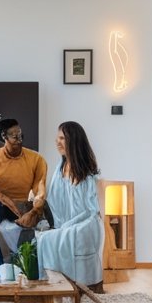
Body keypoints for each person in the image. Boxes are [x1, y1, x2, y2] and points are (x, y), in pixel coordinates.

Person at [0, 118, 47, 279]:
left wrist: (34, 211)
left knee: (42, 208)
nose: (19, 139)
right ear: (3, 137)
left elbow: (40, 191)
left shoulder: (37, 160)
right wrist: (0, 196)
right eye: (14, 136)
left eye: (20, 134)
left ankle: (33, 275)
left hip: (23, 207)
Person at [37, 121, 105, 288]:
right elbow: (54, 200)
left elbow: (91, 210)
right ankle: (57, 283)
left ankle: (70, 284)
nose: (57, 142)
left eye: (62, 138)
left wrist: (68, 226)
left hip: (86, 223)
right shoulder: (61, 168)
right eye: (57, 138)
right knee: (43, 237)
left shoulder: (87, 173)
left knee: (51, 238)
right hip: (65, 222)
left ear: (73, 141)